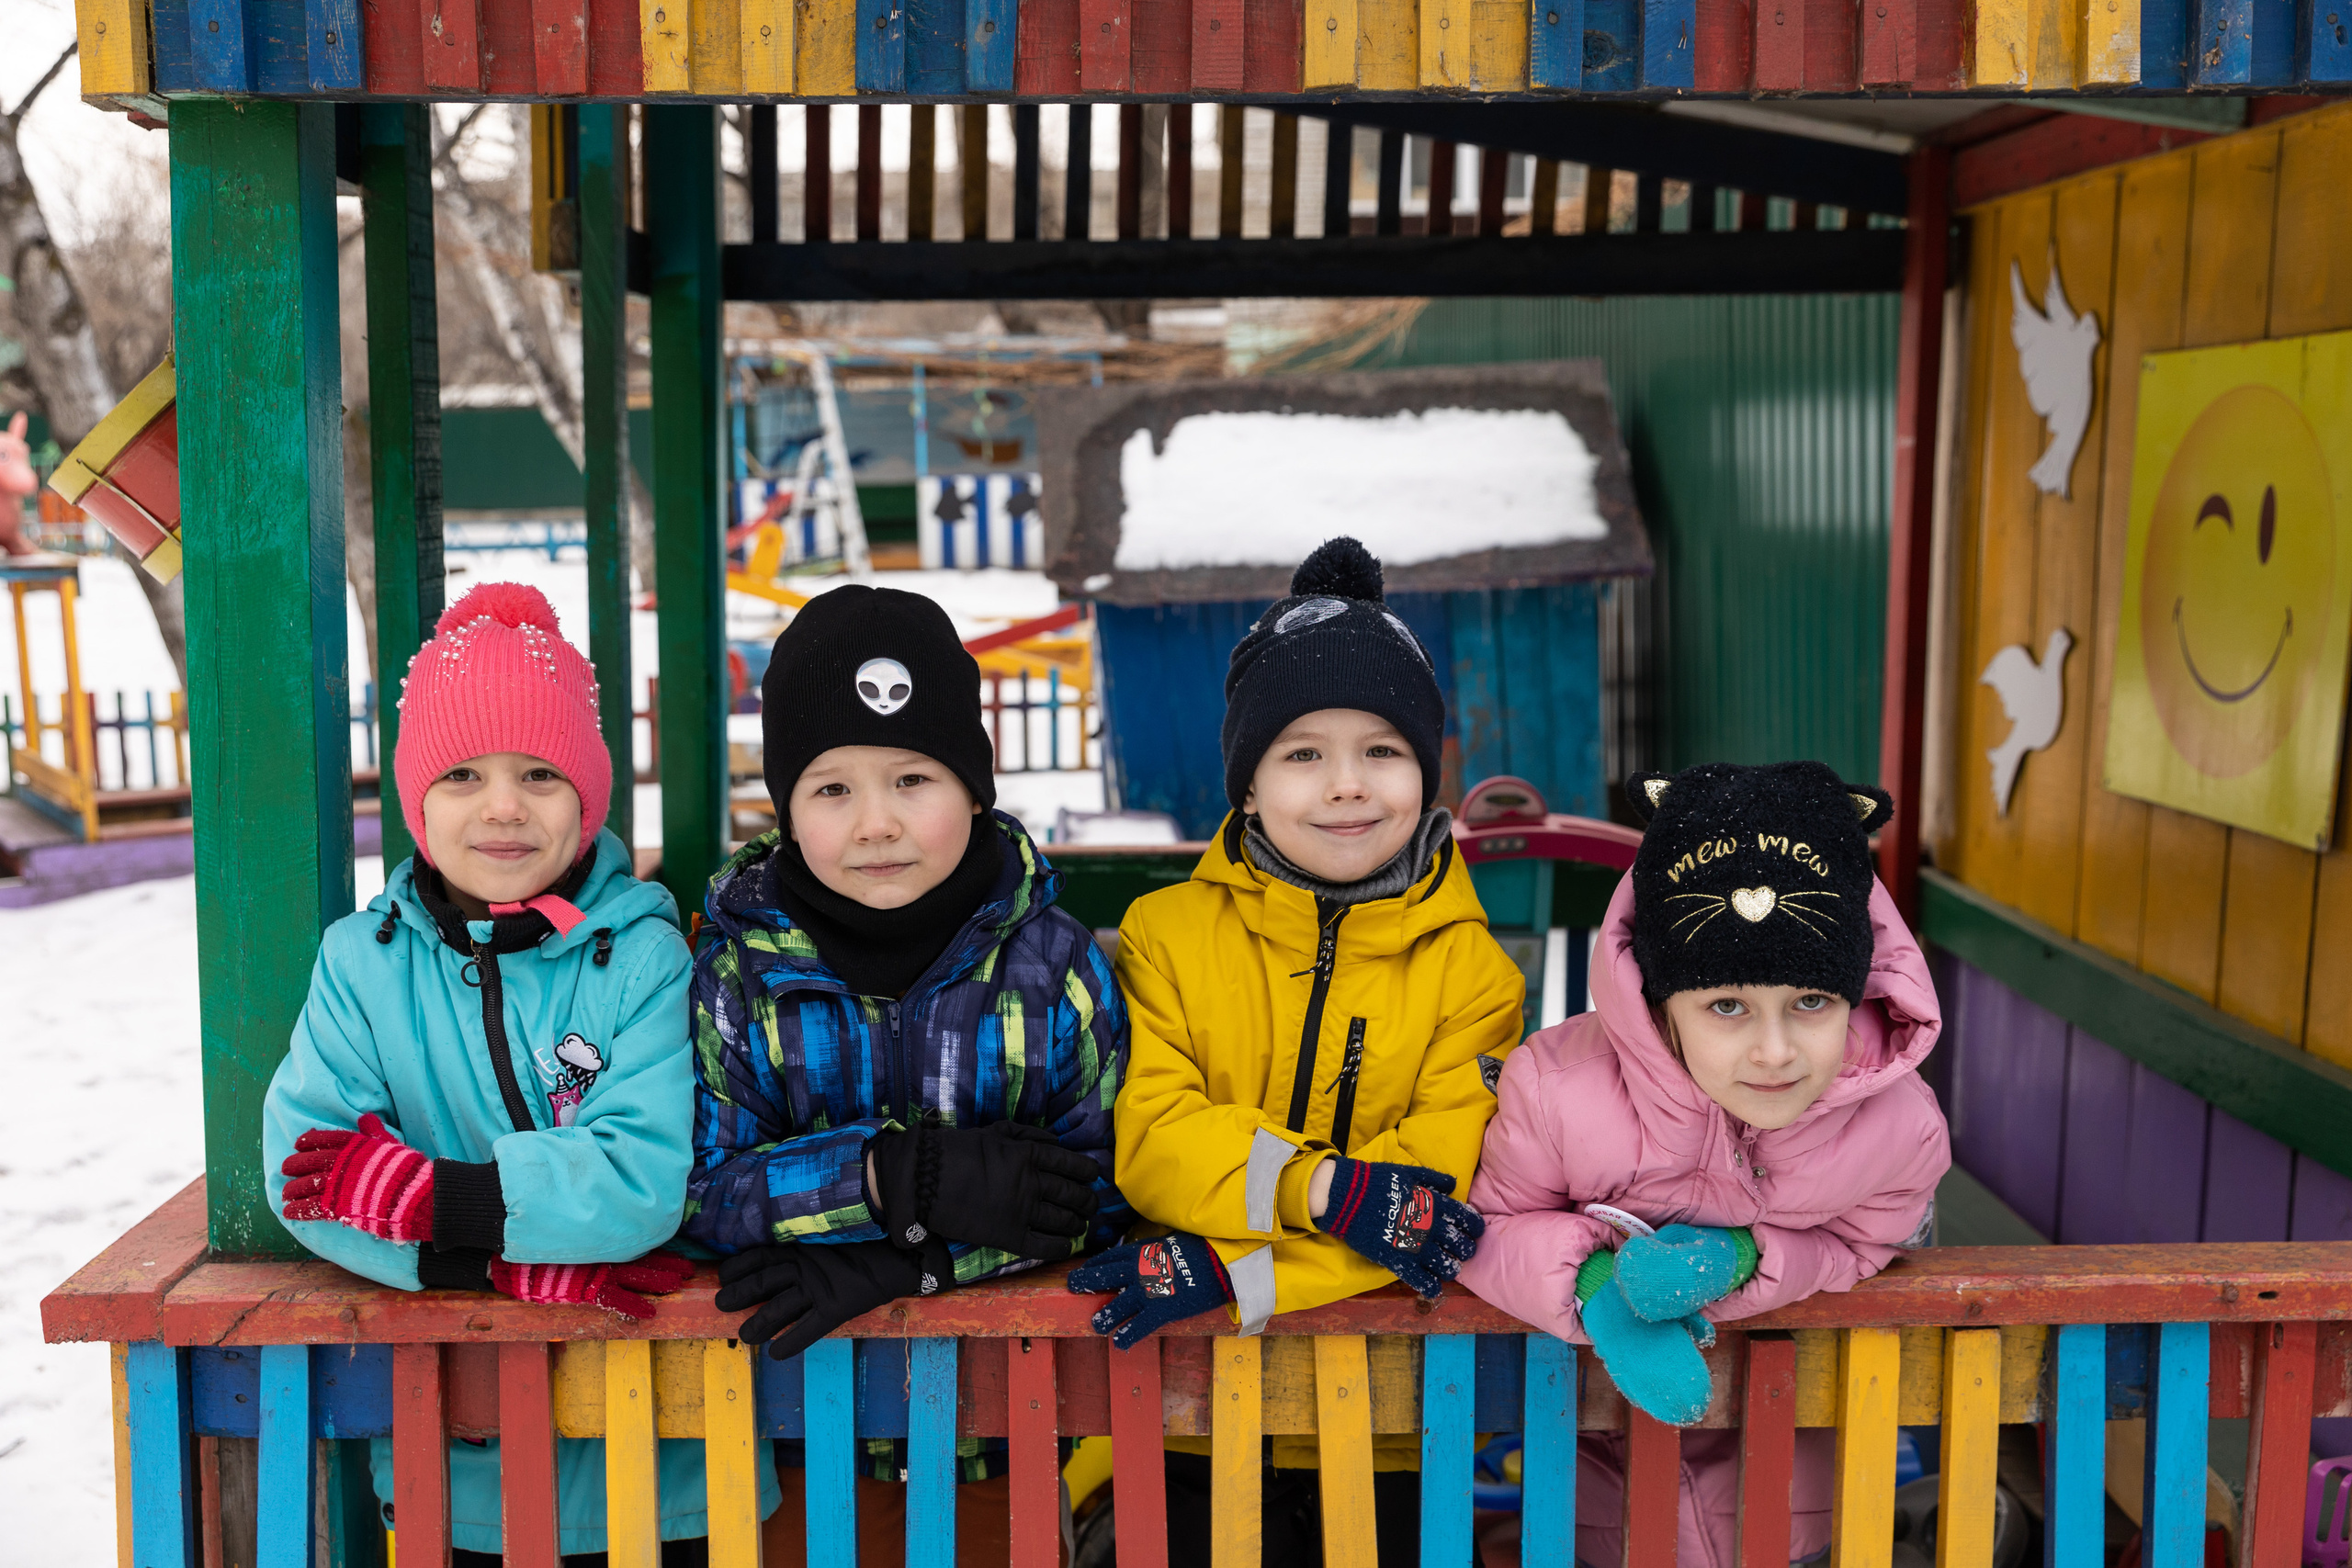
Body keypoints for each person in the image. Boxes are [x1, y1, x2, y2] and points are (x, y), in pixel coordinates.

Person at [261, 582, 758, 1563]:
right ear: (415, 802)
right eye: (460, 777)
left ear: (586, 795)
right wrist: (488, 1259)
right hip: (457, 1457)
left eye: (539, 773)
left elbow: (644, 1181)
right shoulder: (365, 965)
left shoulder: (642, 957)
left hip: (662, 1460)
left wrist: (424, 1196)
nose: (502, 808)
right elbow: (307, 1179)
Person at [1069, 536, 1527, 1564]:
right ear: (1248, 779)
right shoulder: (1165, 938)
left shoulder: (1472, 974)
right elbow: (1154, 1136)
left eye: (1382, 750)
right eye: (1303, 753)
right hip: (1189, 1398)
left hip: (1399, 1411)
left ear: (1424, 767)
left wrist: (1237, 1271)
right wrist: (1327, 1194)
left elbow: (1431, 1193)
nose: (1346, 787)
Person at [684, 583, 1128, 1567]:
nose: (875, 823)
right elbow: (703, 1192)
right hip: (794, 1432)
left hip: (1002, 1428)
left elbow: (1096, 1200)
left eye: (912, 780)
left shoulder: (1052, 968)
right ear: (787, 806)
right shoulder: (740, 970)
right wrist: (889, 1179)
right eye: (832, 789)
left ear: (974, 787)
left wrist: (913, 1265)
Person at [1455, 761, 1951, 1568]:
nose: (1776, 1050)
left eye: (1812, 1002)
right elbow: (1487, 1229)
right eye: (1727, 1005)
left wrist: (1742, 1258)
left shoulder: (1898, 1128)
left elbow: (1865, 1247)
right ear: (1656, 996)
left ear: (1856, 990)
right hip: (1596, 1510)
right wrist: (1599, 1292)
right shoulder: (1556, 1090)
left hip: (1791, 1509)